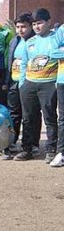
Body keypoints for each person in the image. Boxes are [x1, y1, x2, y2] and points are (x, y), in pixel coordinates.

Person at [16, 8, 59, 163]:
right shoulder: (30, 42)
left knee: (49, 117)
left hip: (49, 84)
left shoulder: (56, 39)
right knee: (28, 118)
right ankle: (27, 149)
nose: (36, 27)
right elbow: (24, 64)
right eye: (34, 24)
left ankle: (51, 150)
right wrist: (22, 84)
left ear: (48, 22)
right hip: (29, 84)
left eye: (39, 23)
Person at [6, 12, 35, 151]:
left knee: (30, 114)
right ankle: (13, 140)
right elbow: (9, 61)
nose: (20, 30)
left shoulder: (35, 40)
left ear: (31, 26)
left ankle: (32, 143)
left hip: (29, 82)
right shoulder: (15, 40)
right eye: (17, 27)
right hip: (14, 81)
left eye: (23, 27)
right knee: (14, 113)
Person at [51, 22, 64, 167]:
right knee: (63, 119)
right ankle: (61, 153)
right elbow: (54, 52)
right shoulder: (62, 29)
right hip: (62, 81)